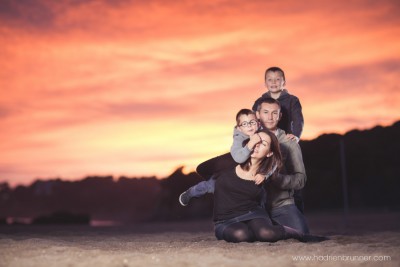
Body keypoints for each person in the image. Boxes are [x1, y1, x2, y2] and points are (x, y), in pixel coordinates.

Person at [180, 98, 310, 234]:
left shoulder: (288, 142)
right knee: (216, 180)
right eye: (265, 112)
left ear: (280, 116)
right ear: (258, 115)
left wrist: (271, 177)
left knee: (301, 234)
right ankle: (198, 191)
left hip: (278, 204)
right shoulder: (247, 135)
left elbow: (299, 180)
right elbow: (237, 155)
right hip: (248, 197)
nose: (270, 117)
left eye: (274, 113)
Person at [212, 128, 325, 243]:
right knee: (242, 235)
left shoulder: (266, 175)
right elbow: (202, 169)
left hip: (254, 214)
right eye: (257, 140)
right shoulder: (228, 162)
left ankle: (299, 234)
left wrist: (290, 141)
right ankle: (253, 231)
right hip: (225, 220)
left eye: (263, 144)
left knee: (266, 233)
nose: (257, 145)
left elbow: (284, 170)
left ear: (269, 153)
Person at [179, 109, 267, 206]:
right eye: (245, 124)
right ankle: (191, 193)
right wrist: (251, 143)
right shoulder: (239, 138)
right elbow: (239, 158)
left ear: (258, 123)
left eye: (252, 122)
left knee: (261, 190)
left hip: (253, 170)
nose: (249, 126)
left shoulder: (265, 133)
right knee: (212, 185)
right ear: (239, 128)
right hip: (235, 163)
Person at [252, 66, 305, 213]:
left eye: (278, 79)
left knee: (291, 174)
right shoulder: (259, 101)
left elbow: (298, 120)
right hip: (265, 143)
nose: (274, 82)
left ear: (284, 82)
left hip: (284, 142)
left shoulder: (292, 100)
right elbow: (253, 120)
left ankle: (297, 212)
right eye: (270, 79)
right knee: (262, 176)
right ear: (265, 82)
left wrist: (296, 135)